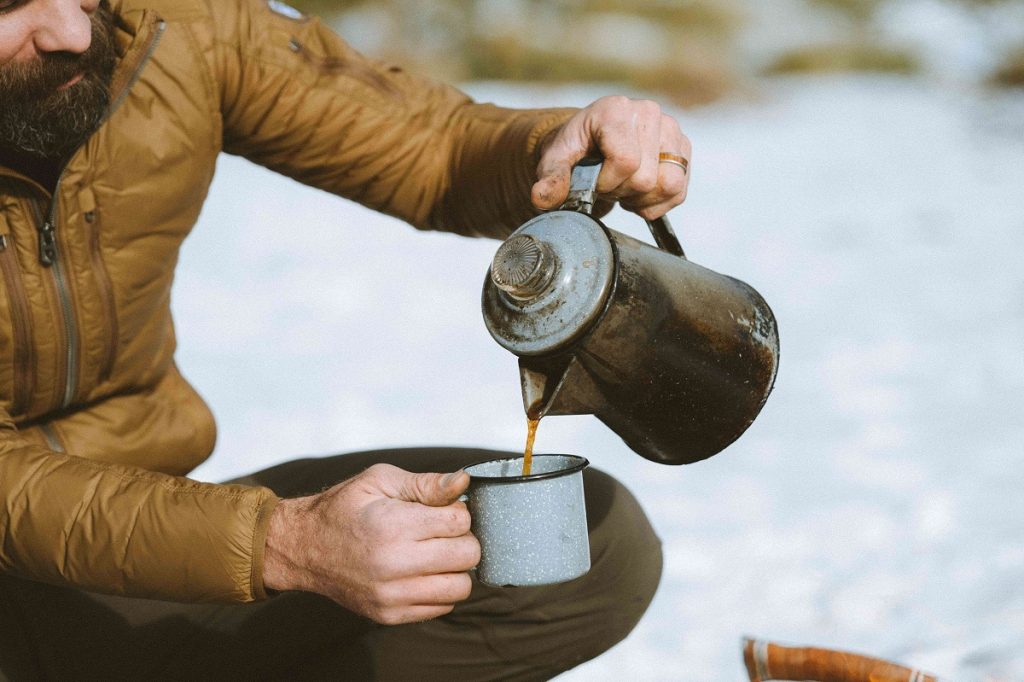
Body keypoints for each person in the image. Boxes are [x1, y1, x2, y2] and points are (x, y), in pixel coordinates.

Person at [0, 0, 691, 677]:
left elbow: (429, 143)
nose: (69, 29)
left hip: (135, 542)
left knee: (590, 545)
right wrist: (282, 541)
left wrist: (558, 153)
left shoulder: (167, 26)